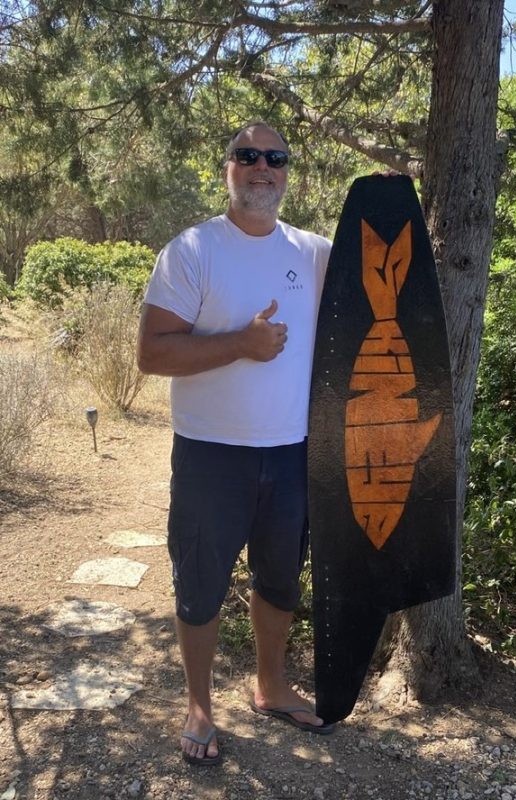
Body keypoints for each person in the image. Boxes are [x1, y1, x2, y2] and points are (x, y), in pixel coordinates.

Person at [137, 121, 333, 767]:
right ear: (228, 168)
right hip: (210, 453)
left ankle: (270, 686)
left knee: (280, 580)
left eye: (275, 157)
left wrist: (387, 198)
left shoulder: (314, 252)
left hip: (293, 451)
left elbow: (384, 267)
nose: (262, 166)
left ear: (287, 171)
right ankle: (199, 706)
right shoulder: (193, 250)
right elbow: (152, 354)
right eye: (247, 155)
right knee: (200, 582)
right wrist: (241, 345)